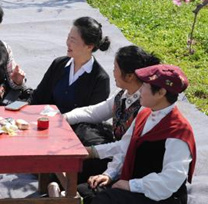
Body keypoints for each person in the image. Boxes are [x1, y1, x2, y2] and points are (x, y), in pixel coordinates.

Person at [37, 64, 196, 204]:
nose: (140, 90)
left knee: (108, 199)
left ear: (161, 92)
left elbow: (170, 181)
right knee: (88, 190)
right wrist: (108, 173)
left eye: (145, 86)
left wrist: (130, 185)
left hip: (160, 202)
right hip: (136, 185)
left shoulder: (178, 132)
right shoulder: (145, 113)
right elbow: (125, 147)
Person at [63, 45, 161, 181]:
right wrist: (64, 118)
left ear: (130, 76)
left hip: (127, 160)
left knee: (83, 164)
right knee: (82, 127)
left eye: (116, 68)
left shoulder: (145, 106)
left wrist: (92, 152)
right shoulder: (123, 94)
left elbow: (126, 146)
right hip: (114, 151)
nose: (113, 72)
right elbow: (95, 112)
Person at [31, 16, 111, 114]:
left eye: (73, 40)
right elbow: (38, 97)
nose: (68, 43)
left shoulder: (100, 79)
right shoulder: (58, 64)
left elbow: (92, 118)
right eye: (68, 37)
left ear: (89, 46)